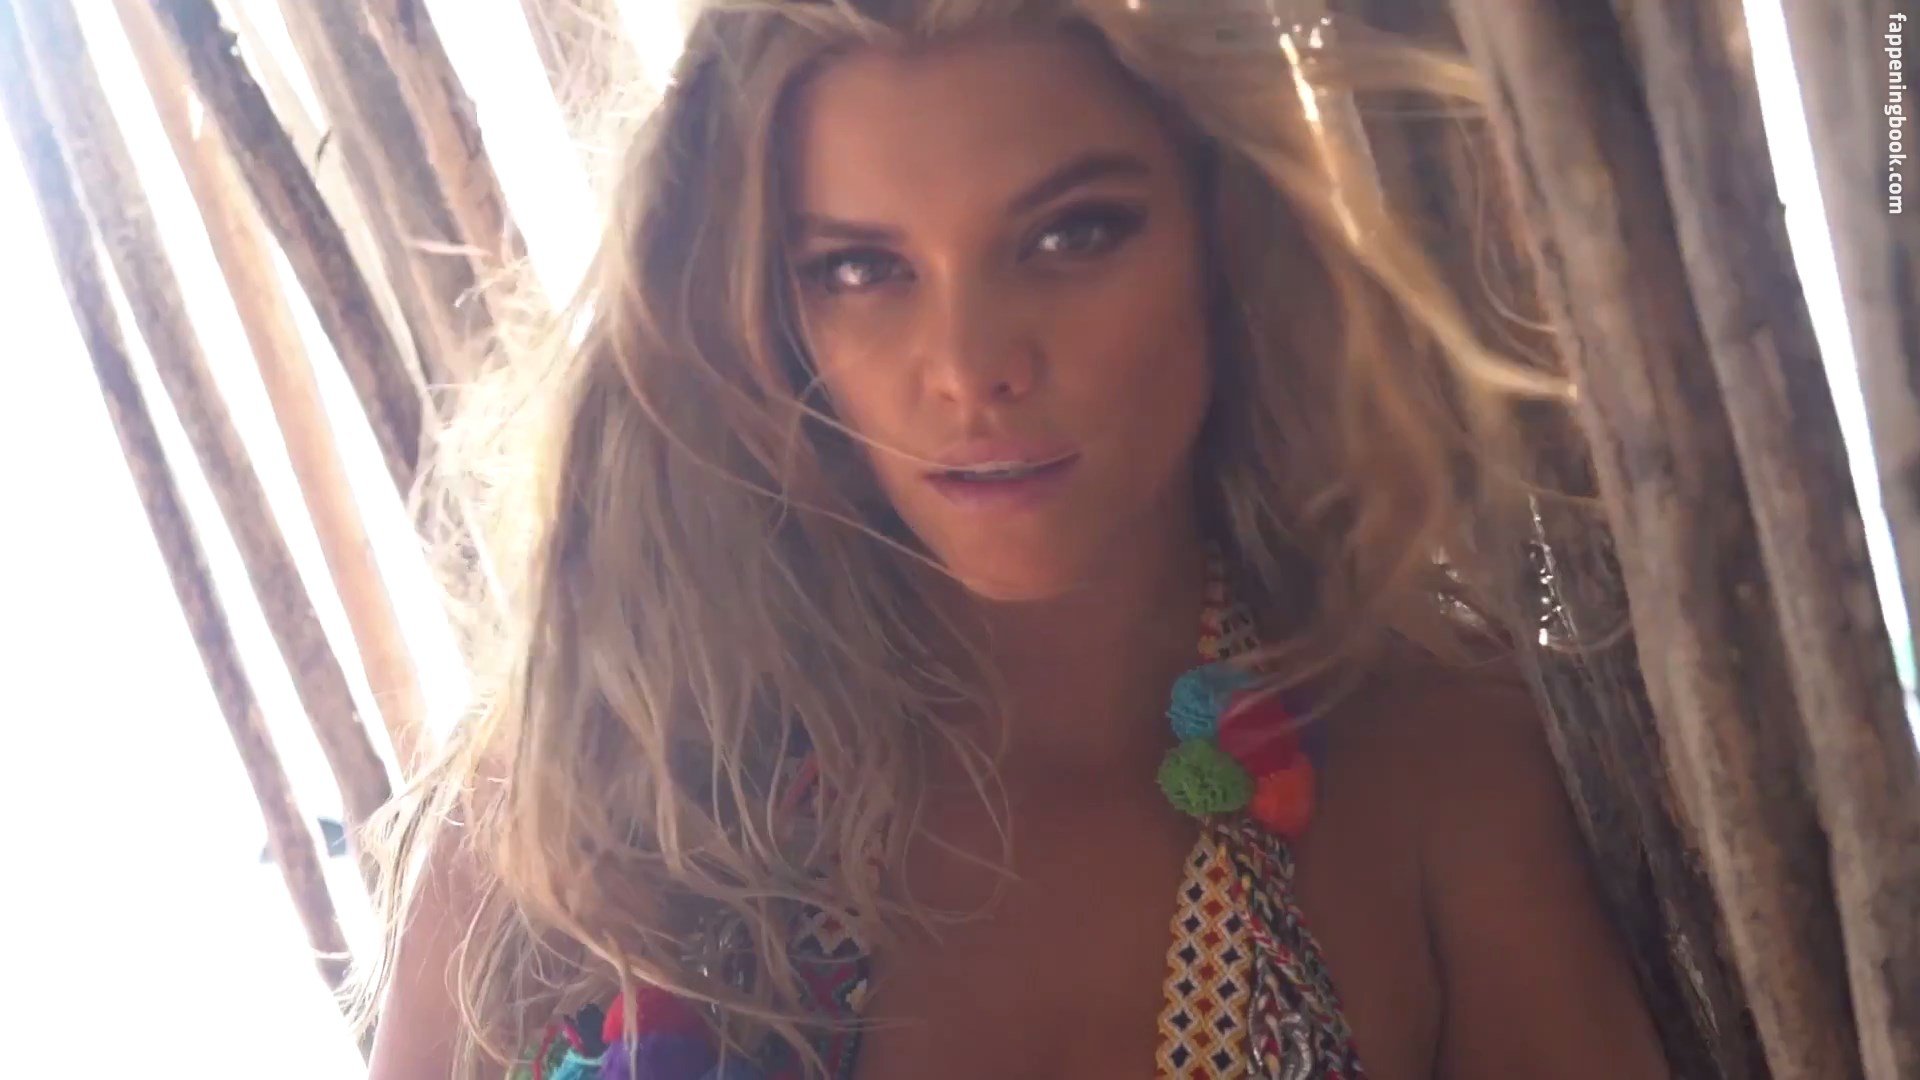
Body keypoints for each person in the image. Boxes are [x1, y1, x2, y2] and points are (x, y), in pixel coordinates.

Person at [362, 1, 1669, 1077]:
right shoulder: (574, 832)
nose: (970, 365)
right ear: (763, 313)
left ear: (1225, 233)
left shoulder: (1436, 777)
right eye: (861, 268)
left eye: (1071, 234)